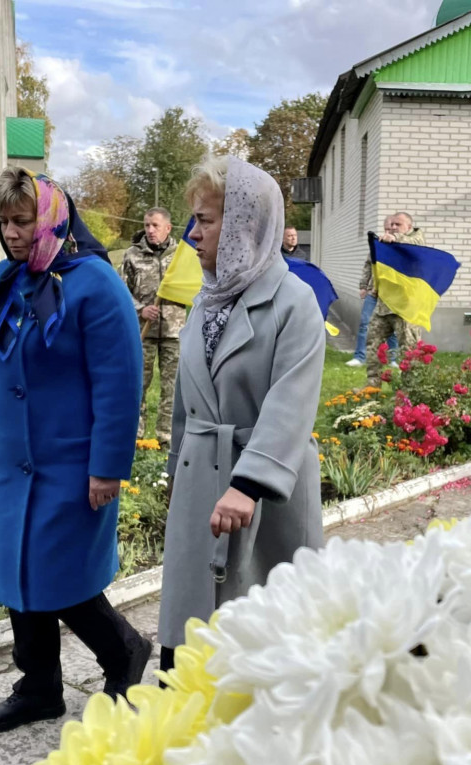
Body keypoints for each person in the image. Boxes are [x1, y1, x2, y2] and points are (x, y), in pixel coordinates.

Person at [0, 168, 150, 732]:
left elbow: (120, 382)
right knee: (19, 580)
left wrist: (107, 467)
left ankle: (123, 651)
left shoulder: (95, 284)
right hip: (8, 465)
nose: (11, 233)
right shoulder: (1, 282)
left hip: (71, 466)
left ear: (52, 217)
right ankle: (39, 687)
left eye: (22, 220)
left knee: (64, 579)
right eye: (3, 221)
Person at [156, 155, 325, 674]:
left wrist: (248, 485)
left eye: (205, 221)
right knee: (188, 641)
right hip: (200, 488)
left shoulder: (295, 303)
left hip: (266, 495)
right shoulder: (206, 301)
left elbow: (291, 403)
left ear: (245, 226)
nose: (193, 235)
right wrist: (177, 469)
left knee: (265, 640)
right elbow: (188, 398)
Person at [122, 207, 185, 444]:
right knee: (138, 385)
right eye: (147, 225)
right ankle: (135, 436)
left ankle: (166, 438)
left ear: (167, 228)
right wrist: (140, 309)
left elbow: (196, 286)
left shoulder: (181, 256)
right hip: (143, 332)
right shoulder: (132, 255)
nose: (150, 230)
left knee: (172, 388)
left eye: (155, 225)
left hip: (173, 330)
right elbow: (121, 291)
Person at [365, 212, 426, 388]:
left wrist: (395, 237)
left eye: (397, 224)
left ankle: (410, 390)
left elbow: (416, 243)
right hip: (384, 305)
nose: (393, 228)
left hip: (406, 308)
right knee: (372, 342)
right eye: (391, 225)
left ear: (409, 226)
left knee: (408, 350)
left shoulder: (416, 238)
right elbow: (374, 263)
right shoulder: (388, 242)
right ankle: (372, 385)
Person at [348, 215, 397, 367]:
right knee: (364, 323)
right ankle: (360, 357)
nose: (389, 232)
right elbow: (368, 265)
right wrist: (363, 286)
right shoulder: (377, 245)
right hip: (374, 292)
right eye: (387, 229)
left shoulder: (401, 247)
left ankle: (393, 359)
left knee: (393, 327)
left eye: (392, 229)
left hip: (392, 295)